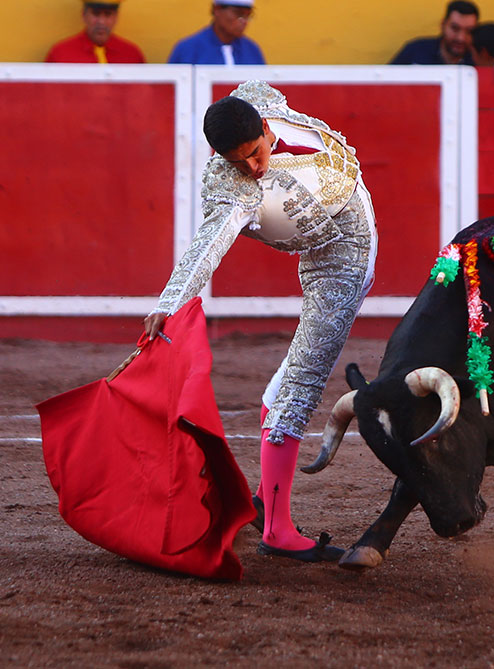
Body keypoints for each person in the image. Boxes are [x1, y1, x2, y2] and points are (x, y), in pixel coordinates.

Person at [144, 81, 376, 563]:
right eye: (238, 161)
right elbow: (207, 247)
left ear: (266, 128)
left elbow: (252, 87)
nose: (253, 168)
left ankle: (268, 501)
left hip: (347, 245)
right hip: (338, 268)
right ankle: (277, 527)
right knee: (300, 387)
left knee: (290, 384)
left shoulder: (262, 104)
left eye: (254, 153)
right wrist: (170, 301)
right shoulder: (230, 190)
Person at [168, 0, 265, 65]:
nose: (244, 21)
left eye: (248, 15)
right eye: (238, 13)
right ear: (217, 9)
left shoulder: (252, 50)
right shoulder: (188, 49)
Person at [45, 0, 145, 64]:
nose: (101, 22)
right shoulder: (61, 54)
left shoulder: (132, 55)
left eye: (108, 14)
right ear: (84, 15)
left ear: (116, 17)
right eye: (96, 14)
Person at [390, 1, 479, 65]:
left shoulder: (478, 61)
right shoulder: (416, 51)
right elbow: (383, 85)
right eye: (455, 28)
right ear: (443, 25)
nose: (461, 38)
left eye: (469, 31)